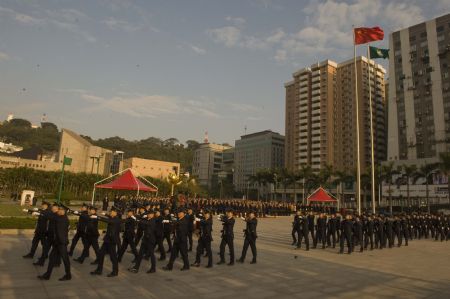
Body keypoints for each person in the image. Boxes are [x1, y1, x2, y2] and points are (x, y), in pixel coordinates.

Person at [37, 205, 71, 281]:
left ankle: (68, 275)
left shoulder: (63, 219)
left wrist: (40, 212)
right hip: (57, 242)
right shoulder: (59, 217)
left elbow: (50, 216)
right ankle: (47, 275)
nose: (58, 211)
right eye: (58, 210)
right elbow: (51, 216)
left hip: (62, 243)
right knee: (52, 258)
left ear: (64, 212)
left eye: (60, 210)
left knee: (65, 259)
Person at [90, 206, 121, 277]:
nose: (110, 212)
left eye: (112, 212)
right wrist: (104, 214)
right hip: (107, 240)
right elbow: (108, 217)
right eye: (110, 211)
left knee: (113, 257)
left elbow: (108, 221)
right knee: (101, 255)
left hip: (112, 241)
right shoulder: (112, 217)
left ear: (115, 213)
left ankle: (115, 271)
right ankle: (99, 270)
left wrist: (97, 217)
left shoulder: (117, 220)